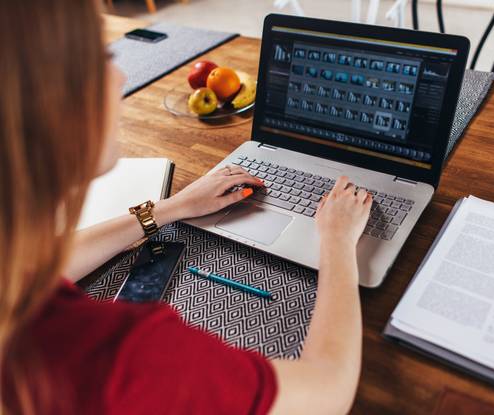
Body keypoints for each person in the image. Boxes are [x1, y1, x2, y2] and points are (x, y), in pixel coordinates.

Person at [0, 1, 373, 414]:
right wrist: (338, 240)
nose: (121, 76)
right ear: (47, 104)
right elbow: (327, 391)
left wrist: (168, 209)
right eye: (102, 57)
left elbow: (37, 264)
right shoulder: (116, 358)